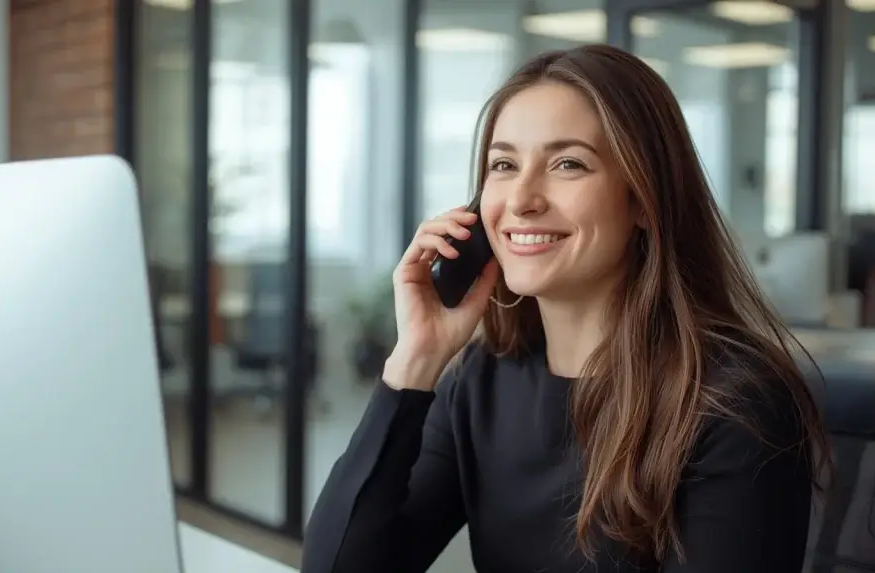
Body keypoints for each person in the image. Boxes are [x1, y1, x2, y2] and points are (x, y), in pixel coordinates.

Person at [302, 45, 830, 573]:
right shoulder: (481, 383)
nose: (522, 198)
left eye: (568, 164)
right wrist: (414, 361)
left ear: (644, 199)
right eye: (504, 164)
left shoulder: (734, 405)